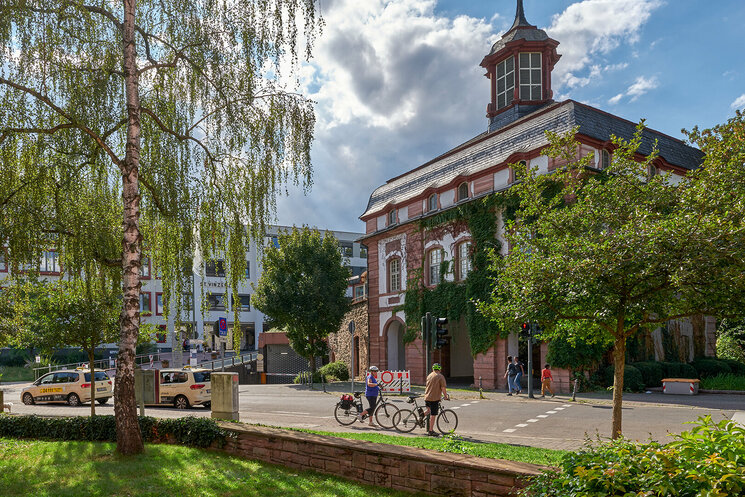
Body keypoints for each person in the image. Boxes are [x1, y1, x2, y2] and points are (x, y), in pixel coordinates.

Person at [424, 363, 449, 437]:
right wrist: (445, 396)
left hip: (427, 397)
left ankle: (420, 417)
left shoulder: (430, 375)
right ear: (440, 369)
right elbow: (443, 388)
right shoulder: (440, 377)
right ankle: (431, 431)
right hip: (434, 398)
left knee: (428, 411)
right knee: (433, 415)